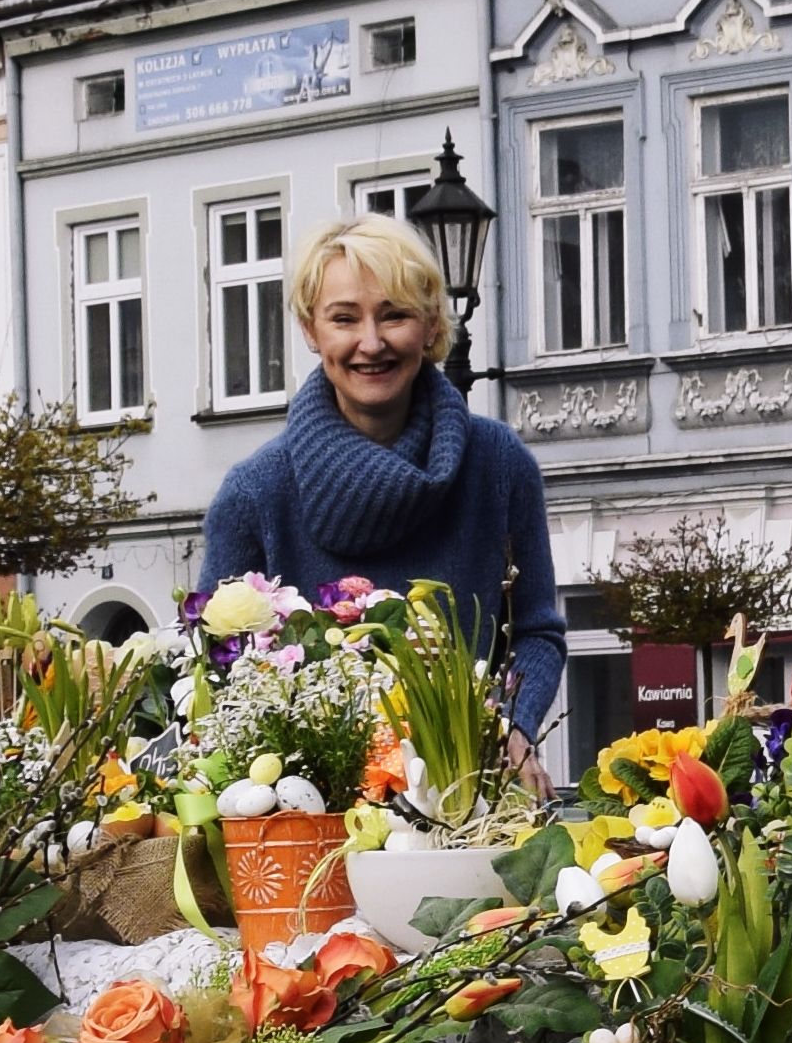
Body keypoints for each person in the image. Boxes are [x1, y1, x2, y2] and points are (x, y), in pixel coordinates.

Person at [197, 219, 568, 735]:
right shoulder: (255, 494)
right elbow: (217, 663)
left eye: (394, 315)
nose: (371, 343)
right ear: (310, 329)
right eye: (344, 319)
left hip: (469, 791)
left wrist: (510, 730)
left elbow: (535, 634)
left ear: (432, 325)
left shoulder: (499, 466)